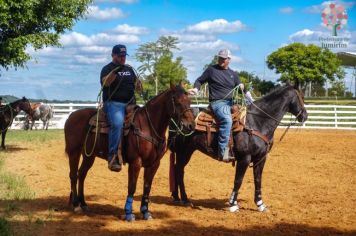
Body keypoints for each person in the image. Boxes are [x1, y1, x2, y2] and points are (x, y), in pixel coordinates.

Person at [188, 49, 244, 162]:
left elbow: (242, 88)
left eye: (224, 58)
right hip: (217, 103)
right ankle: (223, 152)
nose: (221, 60)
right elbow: (200, 80)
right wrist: (195, 89)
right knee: (227, 120)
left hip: (231, 103)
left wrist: (246, 93)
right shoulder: (211, 70)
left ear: (229, 59)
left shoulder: (233, 74)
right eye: (220, 58)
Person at [100, 44, 140, 172]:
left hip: (131, 103)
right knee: (117, 124)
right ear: (113, 55)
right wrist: (115, 72)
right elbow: (105, 83)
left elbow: (138, 88)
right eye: (120, 56)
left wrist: (139, 84)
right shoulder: (107, 69)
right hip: (114, 103)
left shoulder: (130, 69)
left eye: (124, 56)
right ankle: (112, 156)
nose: (123, 58)